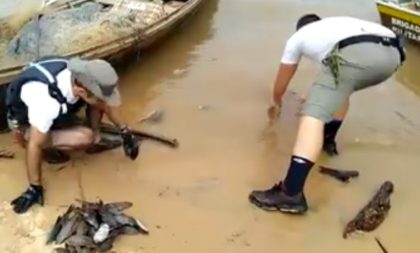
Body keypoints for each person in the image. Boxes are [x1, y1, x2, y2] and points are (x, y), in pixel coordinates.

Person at [249, 14, 405, 214]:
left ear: (300, 28)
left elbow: (281, 84)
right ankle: (327, 140)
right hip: (393, 55)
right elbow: (342, 80)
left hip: (357, 53)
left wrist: (277, 104)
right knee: (341, 87)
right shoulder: (335, 25)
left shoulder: (298, 37)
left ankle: (290, 193)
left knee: (312, 115)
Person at [6, 55, 140, 214]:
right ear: (82, 91)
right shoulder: (45, 101)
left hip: (57, 109)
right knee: (84, 137)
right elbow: (35, 145)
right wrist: (34, 187)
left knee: (96, 111)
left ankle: (90, 131)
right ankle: (50, 142)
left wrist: (125, 132)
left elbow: (106, 104)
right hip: (25, 124)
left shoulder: (82, 73)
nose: (105, 102)